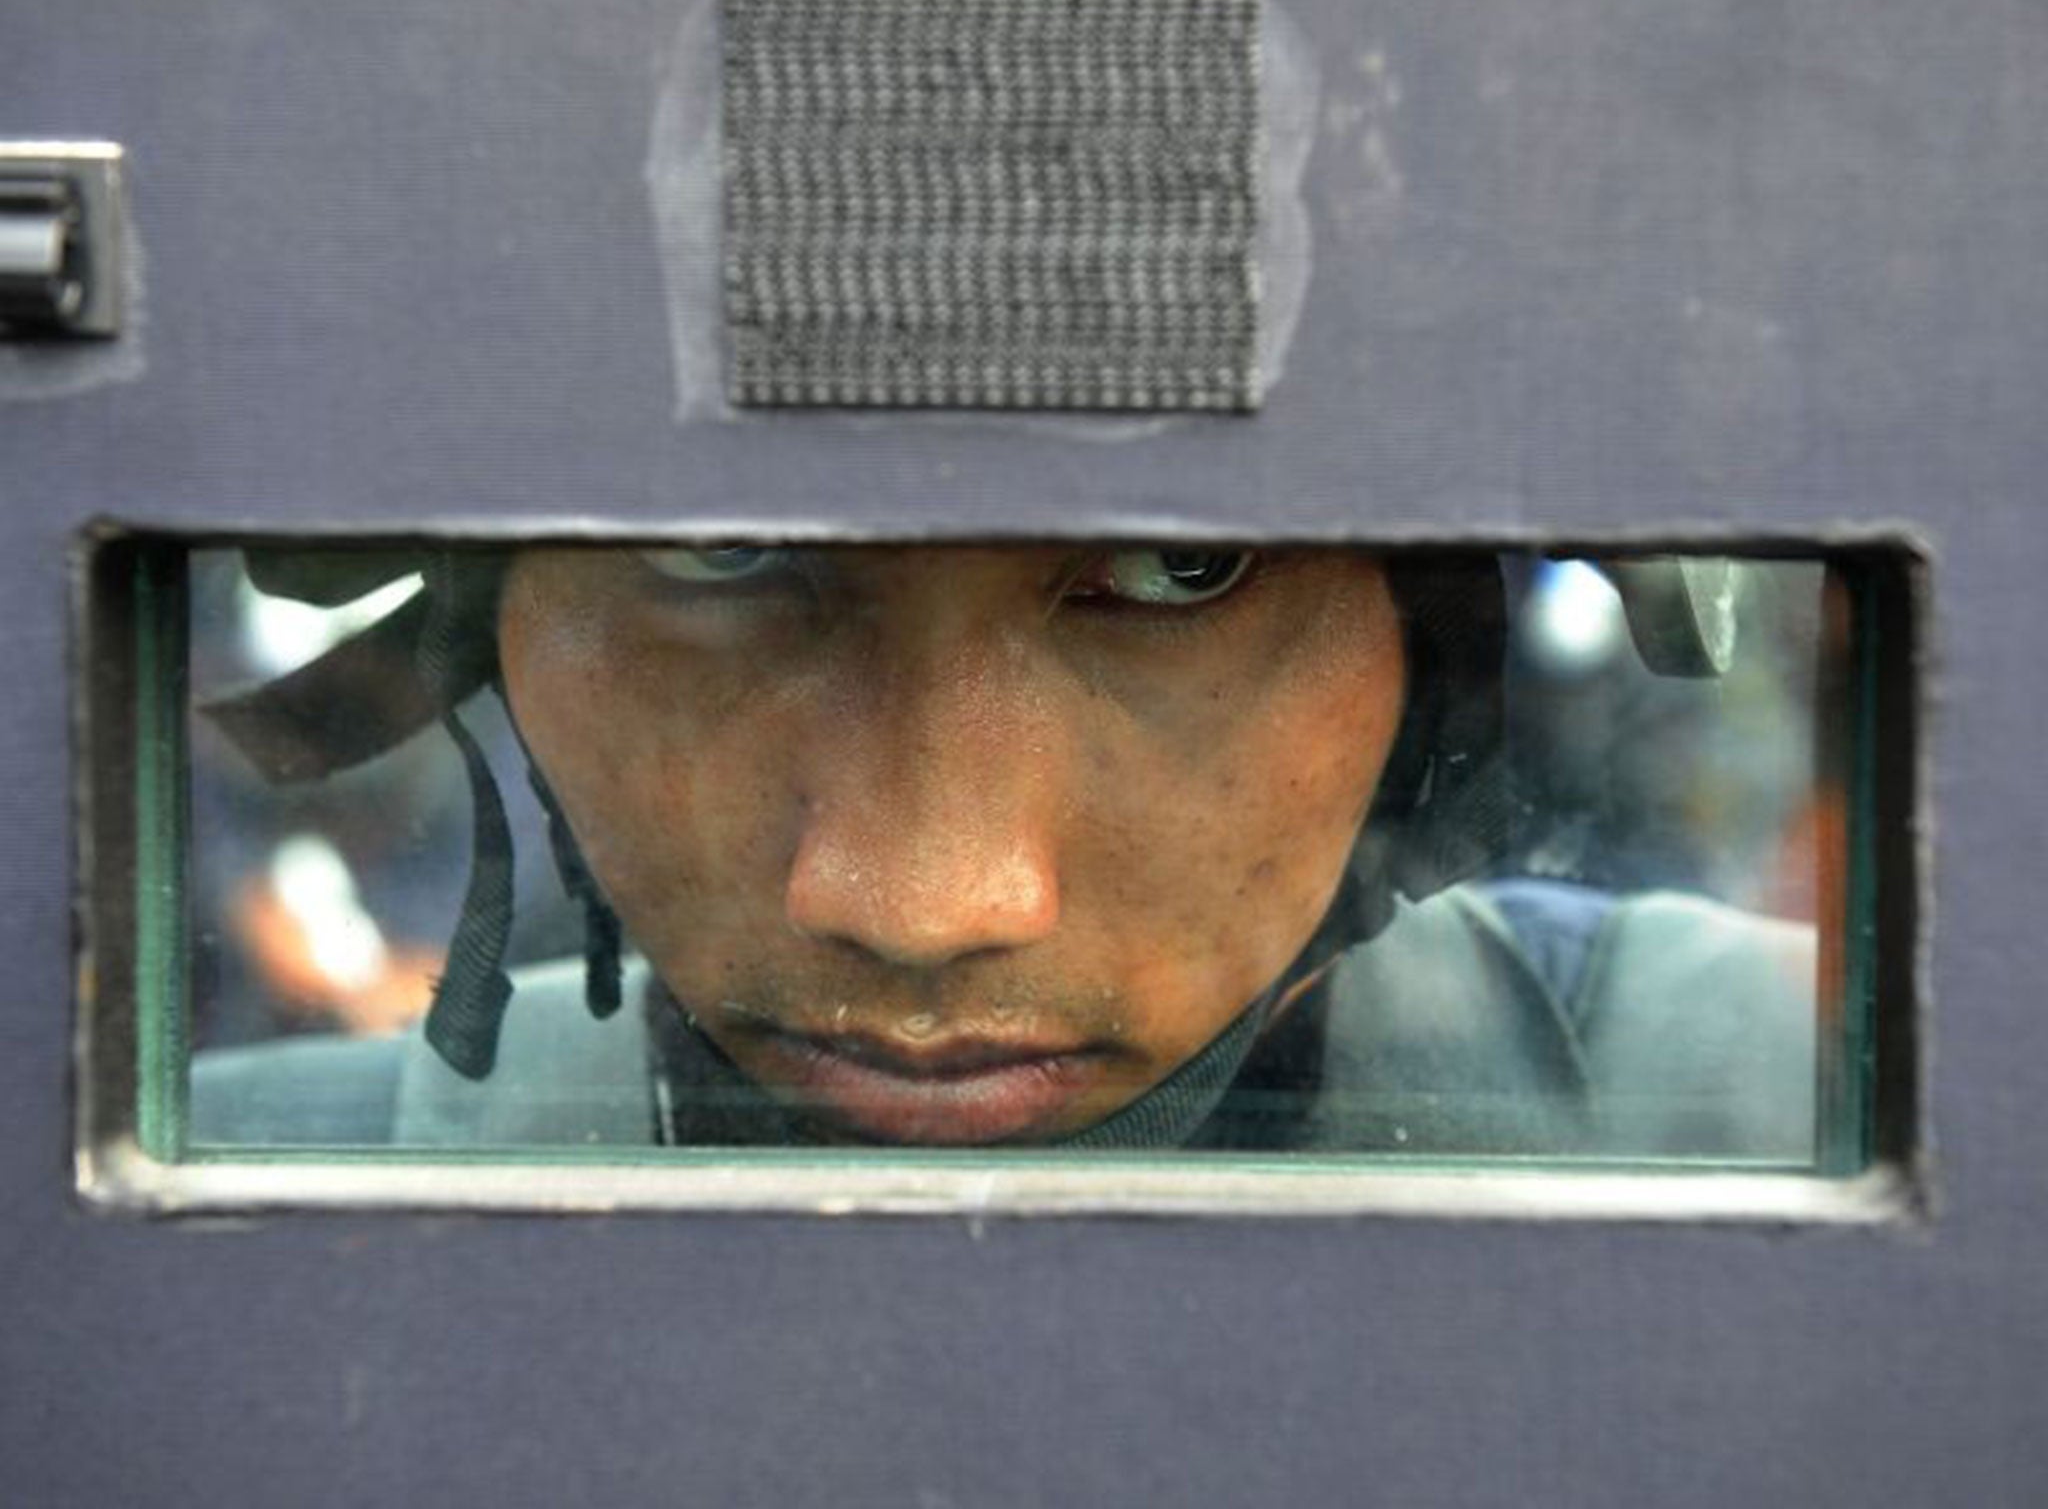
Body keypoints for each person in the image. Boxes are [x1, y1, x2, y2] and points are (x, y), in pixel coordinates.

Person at [193, 544, 1816, 1158]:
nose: (924, 905)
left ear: (1431, 654)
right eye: (721, 551)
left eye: (1185, 567)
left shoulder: (1784, 1098)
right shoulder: (194, 1217)